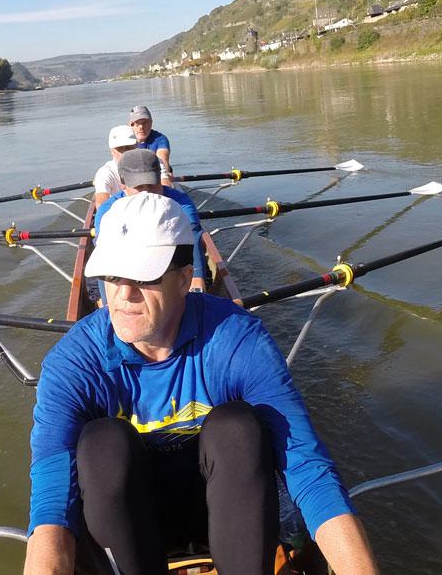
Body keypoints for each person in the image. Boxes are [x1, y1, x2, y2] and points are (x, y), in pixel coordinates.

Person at [24, 192, 378, 575]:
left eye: (143, 275)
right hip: (129, 526)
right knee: (102, 442)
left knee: (238, 427)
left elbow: (307, 469)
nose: (123, 295)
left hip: (225, 512)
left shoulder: (238, 340)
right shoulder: (72, 363)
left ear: (183, 279)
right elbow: (51, 506)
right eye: (110, 275)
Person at [94, 148, 206, 293]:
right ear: (123, 184)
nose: (146, 192)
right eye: (138, 186)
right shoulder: (108, 210)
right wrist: (107, 303)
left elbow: (193, 232)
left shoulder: (179, 201)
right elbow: (102, 255)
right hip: (127, 257)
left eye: (152, 185)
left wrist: (197, 276)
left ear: (160, 179)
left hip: (168, 254)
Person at [92, 125, 139, 207]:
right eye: (120, 148)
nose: (125, 153)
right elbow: (101, 205)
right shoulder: (105, 173)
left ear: (136, 146)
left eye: (129, 147)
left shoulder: (149, 164)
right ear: (111, 150)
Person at [128, 105, 172, 186]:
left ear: (151, 123)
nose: (141, 127)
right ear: (131, 125)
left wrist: (165, 174)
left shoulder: (160, 139)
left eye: (145, 123)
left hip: (157, 179)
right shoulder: (125, 141)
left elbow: (163, 164)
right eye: (137, 124)